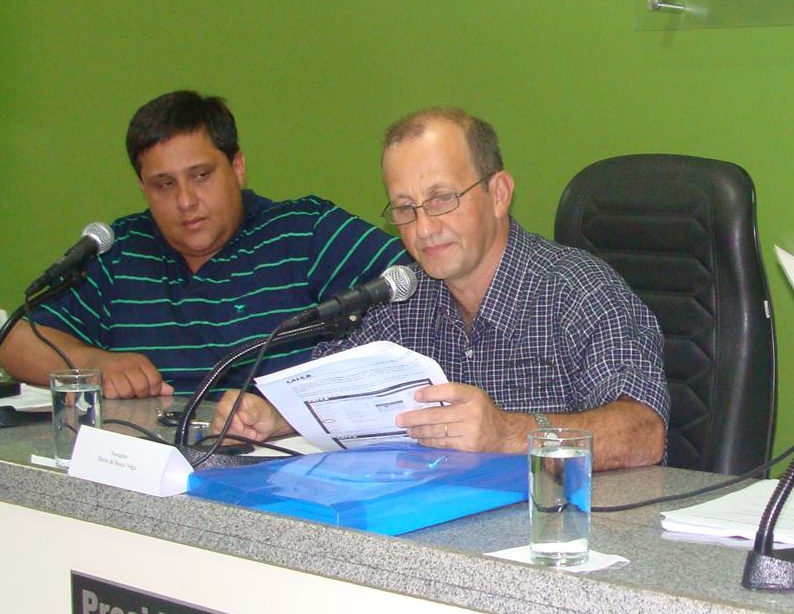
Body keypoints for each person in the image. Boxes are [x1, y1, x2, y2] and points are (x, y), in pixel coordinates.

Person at [215, 107, 669, 471]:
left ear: (498, 194)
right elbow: (334, 394)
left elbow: (644, 433)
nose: (424, 228)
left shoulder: (579, 291)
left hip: (559, 542)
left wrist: (508, 434)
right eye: (405, 208)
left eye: (441, 199)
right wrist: (278, 417)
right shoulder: (402, 297)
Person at [0, 91, 407, 398]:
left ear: (238, 167)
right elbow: (16, 341)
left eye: (201, 176)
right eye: (164, 184)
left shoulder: (304, 232)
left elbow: (426, 284)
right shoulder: (121, 252)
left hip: (283, 468)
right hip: (147, 470)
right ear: (143, 188)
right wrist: (94, 365)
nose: (186, 201)